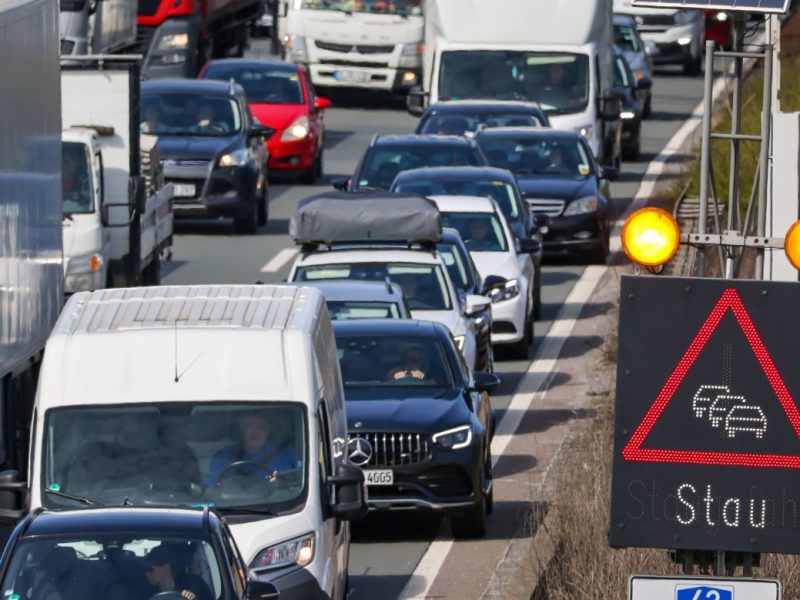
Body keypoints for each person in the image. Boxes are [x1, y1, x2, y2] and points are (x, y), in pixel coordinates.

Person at [204, 412, 298, 488]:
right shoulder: (222, 457)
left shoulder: (286, 454)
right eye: (249, 426)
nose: (255, 432)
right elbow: (210, 489)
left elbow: (297, 484)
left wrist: (280, 482)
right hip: (230, 508)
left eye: (260, 427)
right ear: (240, 431)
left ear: (269, 430)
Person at [144, 545, 211, 600]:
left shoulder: (193, 585)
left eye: (150, 569)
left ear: (167, 567)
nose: (147, 574)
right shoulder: (146, 593)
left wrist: (192, 597)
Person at [62, 144, 92, 212]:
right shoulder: (47, 185)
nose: (64, 166)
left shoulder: (86, 185)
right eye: (63, 161)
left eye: (67, 163)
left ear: (78, 164)